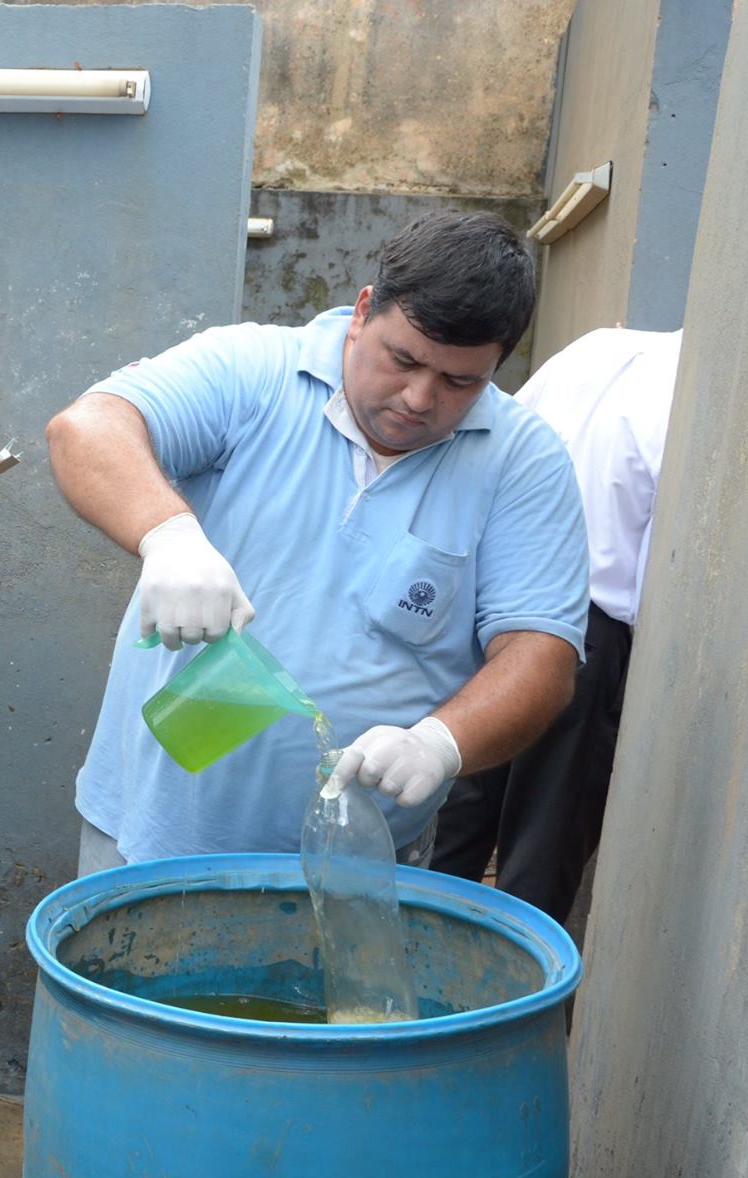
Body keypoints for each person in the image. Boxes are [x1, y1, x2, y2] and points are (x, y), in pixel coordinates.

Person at [49, 210, 589, 872]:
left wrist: (441, 742)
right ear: (363, 311)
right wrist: (169, 536)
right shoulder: (255, 371)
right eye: (404, 360)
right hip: (151, 833)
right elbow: (88, 428)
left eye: (459, 381)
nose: (420, 398)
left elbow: (542, 655)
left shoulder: (522, 462)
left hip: (357, 866)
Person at [432, 327, 682, 925]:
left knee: (454, 803)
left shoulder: (594, 346)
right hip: (592, 630)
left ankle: (405, 980)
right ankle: (507, 1004)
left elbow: (501, 434)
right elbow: (658, 575)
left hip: (498, 599)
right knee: (544, 846)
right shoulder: (688, 394)